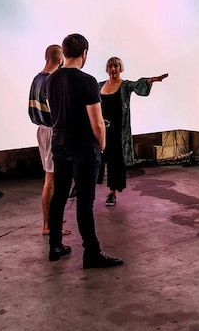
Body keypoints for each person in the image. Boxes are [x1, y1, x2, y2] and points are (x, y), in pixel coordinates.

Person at [45, 34, 123, 268]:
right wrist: (101, 144)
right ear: (85, 54)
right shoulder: (87, 81)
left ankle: (55, 245)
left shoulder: (51, 80)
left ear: (65, 53)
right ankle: (91, 253)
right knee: (84, 203)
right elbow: (98, 123)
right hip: (83, 148)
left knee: (59, 197)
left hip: (58, 144)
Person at [98, 57, 168, 206]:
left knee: (115, 163)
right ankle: (83, 187)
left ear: (120, 68)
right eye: (110, 66)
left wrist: (151, 80)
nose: (113, 69)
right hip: (101, 130)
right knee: (96, 160)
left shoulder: (125, 86)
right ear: (107, 69)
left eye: (116, 66)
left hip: (118, 132)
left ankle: (112, 193)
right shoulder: (99, 86)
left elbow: (138, 85)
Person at [28, 44, 69, 236]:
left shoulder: (37, 79)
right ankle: (48, 225)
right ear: (61, 60)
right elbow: (59, 111)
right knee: (51, 180)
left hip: (42, 130)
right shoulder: (51, 81)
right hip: (53, 132)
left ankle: (54, 218)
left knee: (53, 177)